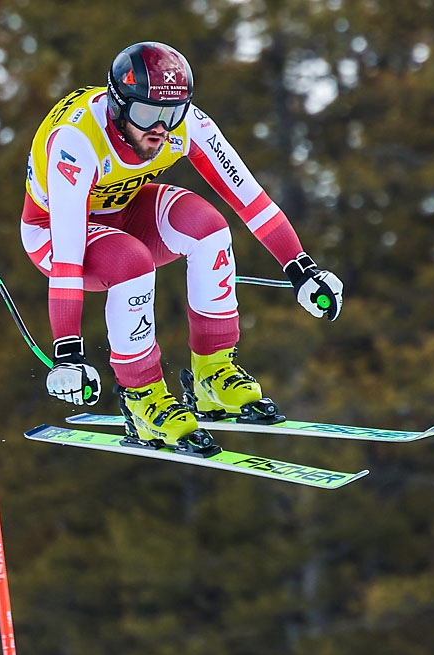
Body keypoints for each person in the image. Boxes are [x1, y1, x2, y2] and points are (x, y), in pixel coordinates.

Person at [21, 41, 343, 451]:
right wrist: (68, 352)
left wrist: (300, 267)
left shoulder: (186, 124)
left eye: (171, 115)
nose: (160, 128)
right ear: (118, 107)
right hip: (53, 232)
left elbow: (249, 198)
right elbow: (67, 256)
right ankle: (142, 398)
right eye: (146, 114)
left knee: (208, 226)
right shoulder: (77, 141)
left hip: (122, 206)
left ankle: (213, 372)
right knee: (131, 261)